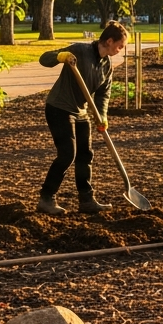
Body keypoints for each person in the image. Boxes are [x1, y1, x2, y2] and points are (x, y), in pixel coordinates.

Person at [36, 21, 127, 215]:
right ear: (109, 41)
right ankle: (46, 198)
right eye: (120, 46)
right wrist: (60, 57)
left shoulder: (107, 65)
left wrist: (102, 116)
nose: (120, 50)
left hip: (81, 111)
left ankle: (87, 200)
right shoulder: (79, 50)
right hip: (59, 107)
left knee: (85, 155)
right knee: (67, 154)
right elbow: (44, 59)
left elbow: (103, 94)